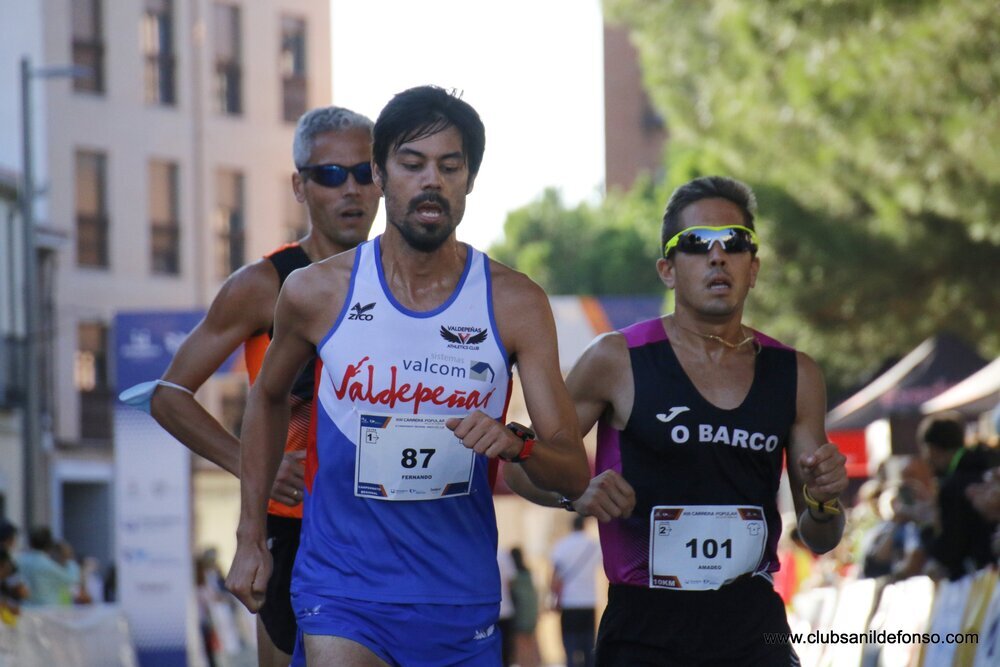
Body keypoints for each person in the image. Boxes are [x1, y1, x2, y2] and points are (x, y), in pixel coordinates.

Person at [225, 85, 590, 667]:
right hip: (340, 588)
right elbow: (267, 400)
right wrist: (249, 538)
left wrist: (517, 444)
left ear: (469, 179)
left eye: (450, 166)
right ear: (379, 173)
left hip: (457, 597)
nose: (431, 181)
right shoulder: (316, 291)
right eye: (412, 164)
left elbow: (572, 468)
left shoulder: (515, 302)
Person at [506, 175, 848, 665]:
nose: (717, 256)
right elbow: (521, 467)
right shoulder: (616, 359)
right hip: (644, 633)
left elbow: (820, 535)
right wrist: (574, 493)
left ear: (753, 268)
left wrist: (826, 501)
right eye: (696, 243)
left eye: (734, 242)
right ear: (667, 269)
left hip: (752, 631)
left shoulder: (796, 374)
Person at [137, 105, 380, 667]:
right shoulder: (262, 284)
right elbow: (167, 395)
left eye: (365, 173)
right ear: (300, 185)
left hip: (381, 523)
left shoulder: (404, 278)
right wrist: (256, 463)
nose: (351, 189)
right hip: (294, 528)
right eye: (330, 174)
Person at [917, 412, 999, 580]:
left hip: (982, 584)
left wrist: (924, 526)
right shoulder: (987, 461)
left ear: (931, 449)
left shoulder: (951, 487)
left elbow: (950, 550)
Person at [549, 515, 600, 667]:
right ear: (584, 526)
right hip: (589, 601)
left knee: (570, 645)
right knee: (588, 644)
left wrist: (553, 597)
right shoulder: (593, 546)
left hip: (569, 602)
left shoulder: (562, 545)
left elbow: (555, 576)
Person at [16, 527, 81, 606]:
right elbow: (72, 579)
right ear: (49, 545)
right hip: (47, 609)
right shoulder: (47, 565)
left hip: (26, 607)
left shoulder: (19, 560)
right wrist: (69, 559)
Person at [509, 547, 541, 667]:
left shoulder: (513, 576)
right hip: (531, 612)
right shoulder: (529, 573)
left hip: (519, 613)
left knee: (521, 647)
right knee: (532, 644)